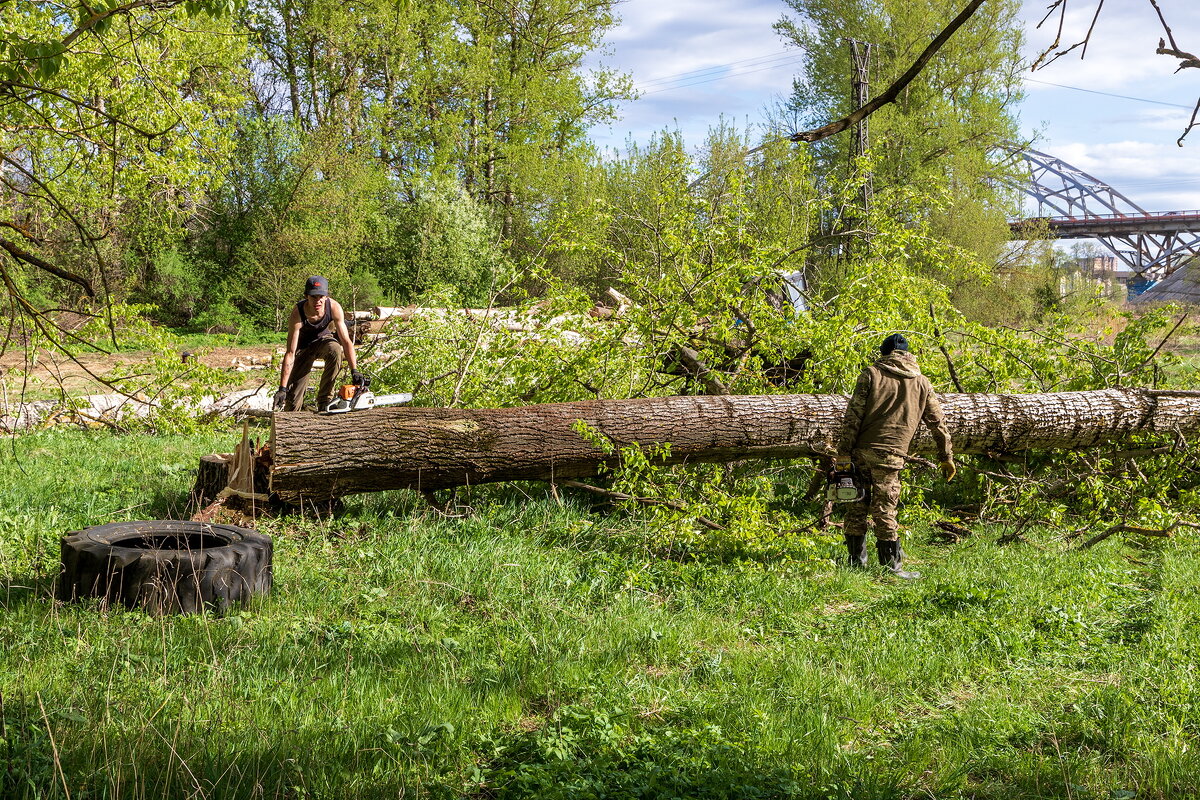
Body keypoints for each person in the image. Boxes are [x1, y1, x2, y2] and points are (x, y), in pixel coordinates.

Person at [834, 333, 955, 579]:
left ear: (884, 353)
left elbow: (852, 417)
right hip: (892, 455)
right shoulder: (922, 382)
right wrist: (946, 457)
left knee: (856, 506)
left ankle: (856, 562)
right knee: (885, 509)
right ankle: (892, 567)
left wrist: (843, 453)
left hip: (861, 451)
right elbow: (938, 423)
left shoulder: (871, 374)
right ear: (907, 354)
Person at [274, 276, 363, 412]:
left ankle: (324, 401)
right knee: (293, 403)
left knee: (335, 348)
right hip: (303, 348)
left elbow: (346, 342)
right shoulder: (298, 313)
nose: (318, 301)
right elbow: (290, 353)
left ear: (326, 296)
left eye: (321, 296)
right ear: (306, 296)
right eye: (313, 297)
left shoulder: (334, 307)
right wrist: (282, 388)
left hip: (323, 341)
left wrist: (354, 371)